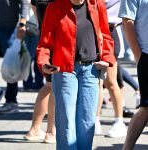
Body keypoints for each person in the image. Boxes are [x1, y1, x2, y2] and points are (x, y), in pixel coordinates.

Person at [36, 0, 116, 149]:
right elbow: (44, 44)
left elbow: (106, 35)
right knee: (66, 122)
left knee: (87, 122)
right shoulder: (55, 7)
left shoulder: (97, 4)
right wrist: (44, 63)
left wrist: (106, 59)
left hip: (91, 70)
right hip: (65, 71)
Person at [24, 0, 56, 144]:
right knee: (55, 86)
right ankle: (50, 131)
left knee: (49, 85)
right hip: (57, 41)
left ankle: (35, 129)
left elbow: (33, 5)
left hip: (45, 37)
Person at [95, 0, 128, 137]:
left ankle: (119, 121)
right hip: (91, 32)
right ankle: (95, 120)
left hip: (109, 31)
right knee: (96, 82)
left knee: (111, 82)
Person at [119, 0, 148, 149]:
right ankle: (127, 147)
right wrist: (139, 57)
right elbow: (127, 22)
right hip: (146, 55)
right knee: (146, 108)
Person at [0, 0, 29, 114]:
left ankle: (11, 101)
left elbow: (24, 2)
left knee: (11, 65)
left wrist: (22, 22)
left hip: (9, 28)